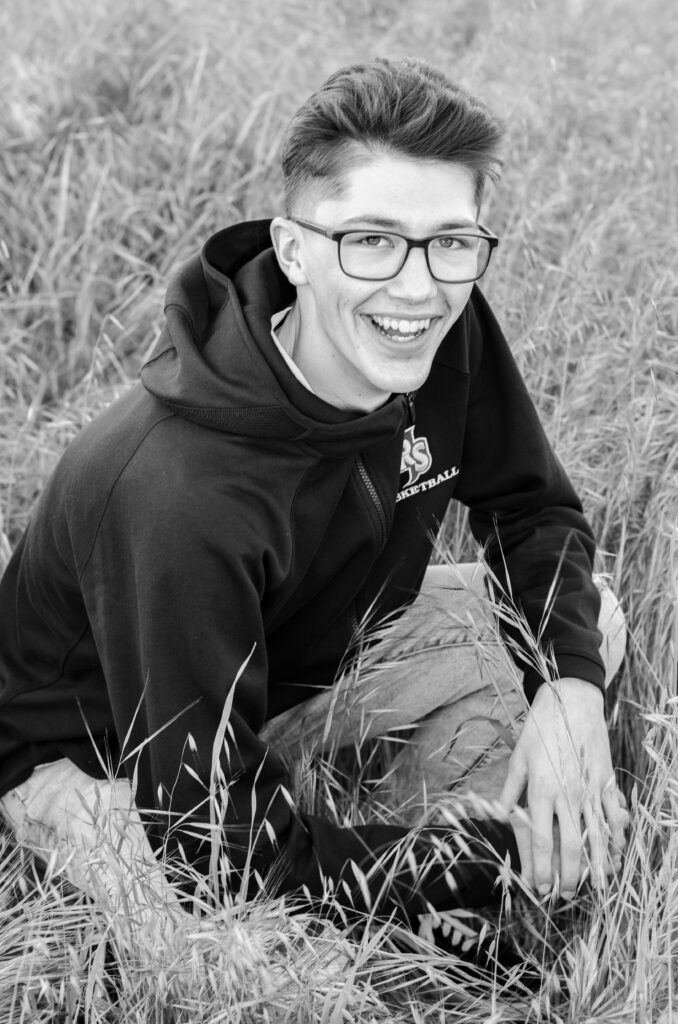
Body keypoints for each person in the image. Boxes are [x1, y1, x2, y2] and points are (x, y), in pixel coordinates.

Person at [0, 58, 628, 938]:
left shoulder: (441, 326)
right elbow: (217, 840)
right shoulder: (180, 491)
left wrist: (568, 694)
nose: (418, 287)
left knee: (590, 623)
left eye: (452, 240)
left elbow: (534, 508)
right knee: (236, 937)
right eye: (370, 239)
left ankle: (416, 847)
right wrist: (468, 861)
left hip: (301, 664)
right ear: (294, 249)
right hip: (116, 755)